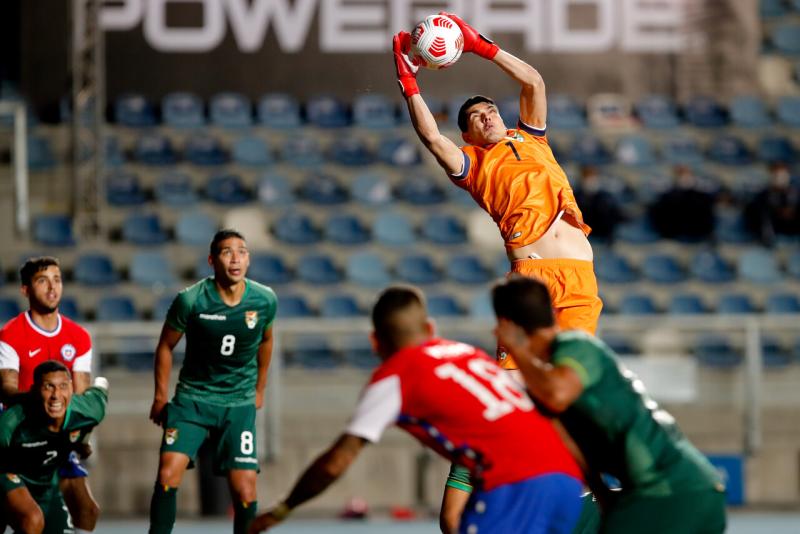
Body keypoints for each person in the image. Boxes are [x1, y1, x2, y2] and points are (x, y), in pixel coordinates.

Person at [393, 13, 603, 526]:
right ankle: (463, 493)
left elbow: (532, 80)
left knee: (567, 391)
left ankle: (571, 489)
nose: (488, 116)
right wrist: (408, 81)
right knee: (508, 395)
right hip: (532, 284)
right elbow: (430, 136)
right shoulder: (473, 167)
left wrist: (479, 47)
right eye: (477, 117)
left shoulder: (534, 139)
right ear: (468, 133)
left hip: (579, 285)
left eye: (491, 110)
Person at [248, 285, 587, 534]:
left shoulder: (394, 377)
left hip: (516, 486)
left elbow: (338, 460)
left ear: (375, 342)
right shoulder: (466, 353)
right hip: (568, 479)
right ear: (430, 329)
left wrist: (284, 508)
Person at [492, 275, 727, 534]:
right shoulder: (551, 380)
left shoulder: (576, 346)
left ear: (506, 323)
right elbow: (577, 453)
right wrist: (604, 498)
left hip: (670, 489)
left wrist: (516, 349)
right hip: (674, 491)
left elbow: (557, 393)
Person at [148, 229, 277, 534]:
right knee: (168, 474)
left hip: (238, 403)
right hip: (192, 400)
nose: (235, 258)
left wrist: (260, 389)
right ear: (212, 260)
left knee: (245, 491)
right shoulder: (191, 300)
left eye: (242, 251)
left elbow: (267, 341)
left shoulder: (264, 300)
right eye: (227, 252)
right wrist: (159, 397)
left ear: (248, 259)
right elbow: (165, 346)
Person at [0, 256, 99, 533]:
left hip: (57, 436)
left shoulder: (79, 337)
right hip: (18, 436)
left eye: (57, 280)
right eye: (42, 281)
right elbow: (6, 390)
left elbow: (80, 396)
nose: (52, 288)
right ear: (25, 290)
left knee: (87, 509)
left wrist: (81, 436)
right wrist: (37, 402)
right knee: (30, 520)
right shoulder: (10, 334)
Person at [0, 361, 108, 534]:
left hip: (46, 483)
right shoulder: (12, 423)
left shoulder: (89, 411)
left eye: (63, 386)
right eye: (48, 387)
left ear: (72, 388)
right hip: (10, 474)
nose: (56, 395)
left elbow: (102, 386)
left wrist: (83, 440)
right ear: (35, 391)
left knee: (87, 512)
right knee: (32, 520)